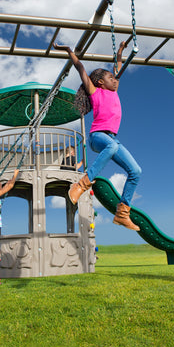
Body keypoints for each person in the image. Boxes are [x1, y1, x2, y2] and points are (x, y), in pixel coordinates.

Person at [53, 41, 141, 231]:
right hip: (97, 136)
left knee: (136, 171)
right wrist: (69, 51)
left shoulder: (114, 90)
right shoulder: (95, 91)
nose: (115, 79)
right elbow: (80, 68)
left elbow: (118, 68)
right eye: (110, 77)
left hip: (112, 139)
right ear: (101, 82)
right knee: (113, 147)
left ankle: (122, 212)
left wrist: (120, 51)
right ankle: (81, 184)